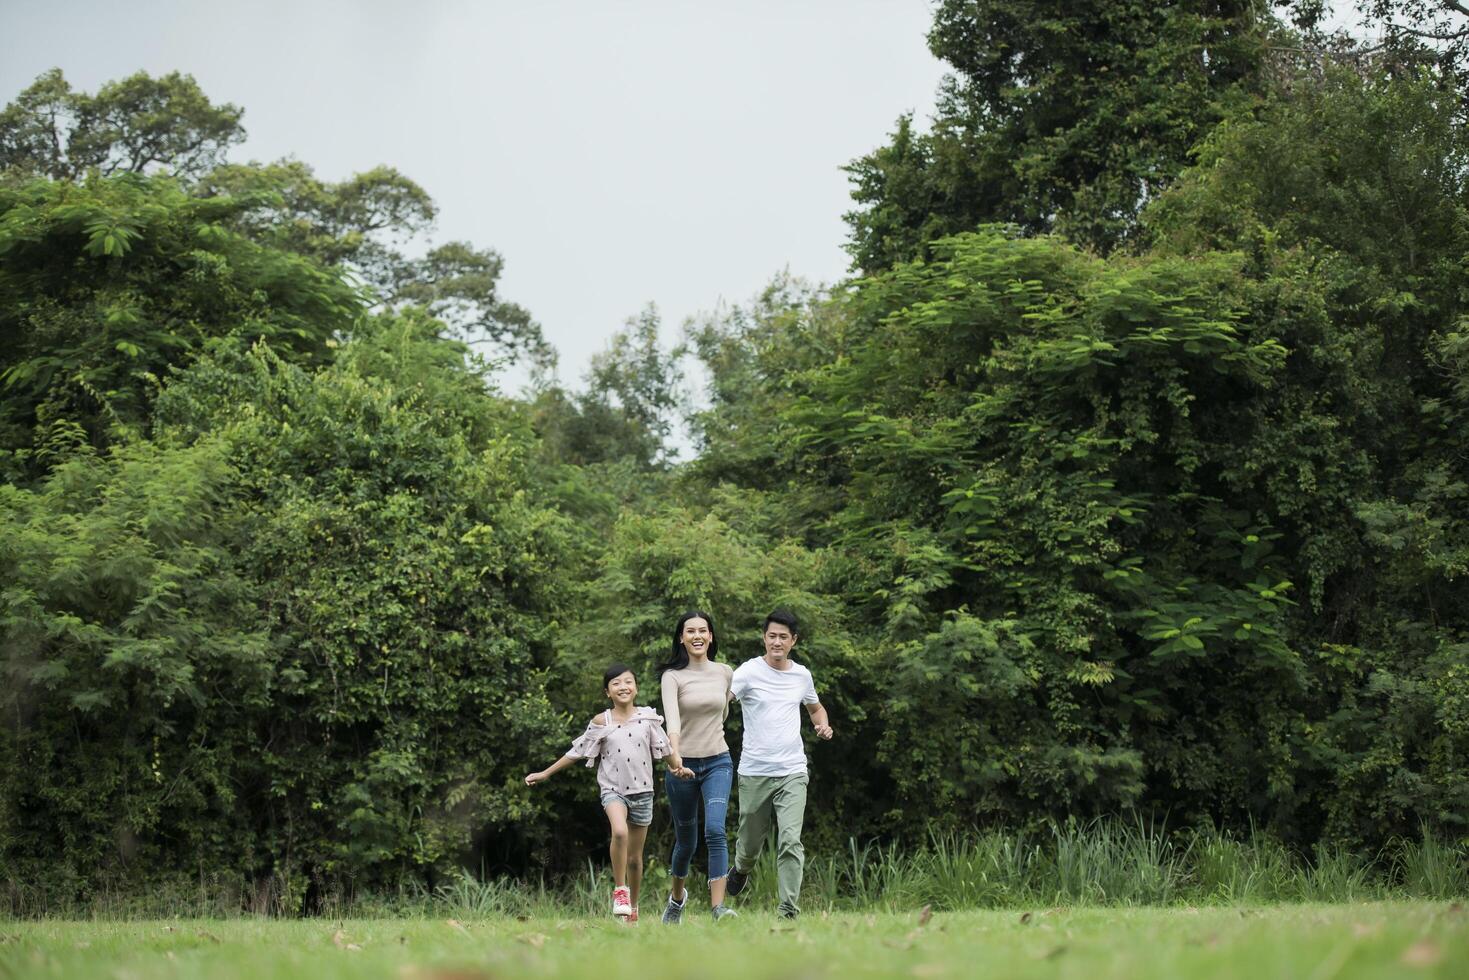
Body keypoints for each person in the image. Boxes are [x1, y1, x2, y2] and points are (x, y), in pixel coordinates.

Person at [526, 662, 681, 922]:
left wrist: (680, 768)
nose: (623, 687)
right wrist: (545, 773)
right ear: (607, 692)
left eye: (628, 682)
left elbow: (666, 751)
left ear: (636, 687)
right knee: (619, 832)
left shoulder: (648, 718)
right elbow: (577, 751)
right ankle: (620, 890)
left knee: (635, 858)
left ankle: (632, 909)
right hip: (613, 790)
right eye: (616, 683)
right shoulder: (602, 721)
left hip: (643, 792)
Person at [725, 609, 833, 919]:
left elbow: (816, 708)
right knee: (748, 845)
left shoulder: (802, 675)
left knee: (790, 840)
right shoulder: (747, 672)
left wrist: (822, 725)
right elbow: (723, 701)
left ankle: (788, 910)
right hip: (754, 771)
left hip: (792, 771)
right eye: (771, 636)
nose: (776, 642)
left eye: (783, 637)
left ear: (793, 641)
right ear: (764, 638)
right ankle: (742, 868)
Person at [657, 610, 738, 923]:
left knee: (716, 830)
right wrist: (675, 758)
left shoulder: (724, 672)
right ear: (682, 638)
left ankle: (719, 909)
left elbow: (723, 715)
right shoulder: (672, 676)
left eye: (703, 630)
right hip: (682, 765)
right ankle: (677, 899)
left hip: (718, 760)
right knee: (686, 842)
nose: (697, 636)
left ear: (711, 636)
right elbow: (673, 721)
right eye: (690, 631)